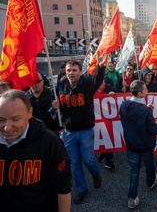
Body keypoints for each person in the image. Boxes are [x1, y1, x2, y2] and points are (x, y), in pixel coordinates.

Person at [0, 89, 71, 212]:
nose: (7, 127)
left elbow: (63, 187)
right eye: (1, 119)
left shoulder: (49, 143)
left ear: (29, 113)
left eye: (16, 119)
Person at [52, 53, 107, 204]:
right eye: (69, 70)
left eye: (74, 70)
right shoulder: (60, 85)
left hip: (85, 131)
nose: (71, 73)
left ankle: (96, 174)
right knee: (75, 164)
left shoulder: (87, 84)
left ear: (80, 72)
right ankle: (82, 189)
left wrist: (100, 66)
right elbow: (58, 104)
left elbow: (97, 79)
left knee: (89, 160)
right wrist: (56, 105)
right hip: (68, 133)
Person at [120, 80, 157, 208]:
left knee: (134, 170)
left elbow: (133, 117)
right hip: (145, 145)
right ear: (139, 93)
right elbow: (153, 130)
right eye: (145, 90)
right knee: (149, 165)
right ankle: (150, 183)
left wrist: (146, 109)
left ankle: (132, 198)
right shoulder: (145, 111)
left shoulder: (123, 105)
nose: (147, 91)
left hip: (131, 145)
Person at [96, 79, 119, 171]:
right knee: (100, 137)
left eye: (101, 81)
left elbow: (121, 96)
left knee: (107, 137)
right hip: (96, 119)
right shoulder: (90, 90)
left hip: (108, 118)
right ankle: (104, 153)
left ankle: (109, 160)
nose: (100, 83)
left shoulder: (109, 88)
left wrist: (115, 94)